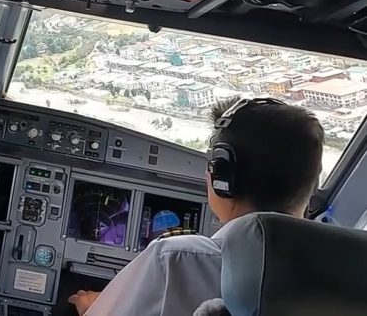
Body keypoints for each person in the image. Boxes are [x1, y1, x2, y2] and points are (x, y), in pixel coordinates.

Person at [69, 97, 324, 316]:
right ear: (312, 183)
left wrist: (93, 307)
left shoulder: (177, 259)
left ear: (222, 179)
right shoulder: (339, 275)